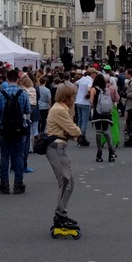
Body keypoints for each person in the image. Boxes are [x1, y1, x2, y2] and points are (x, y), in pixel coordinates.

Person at [42, 82, 84, 235]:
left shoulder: (61, 108)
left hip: (59, 146)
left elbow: (70, 126)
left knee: (69, 181)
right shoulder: (59, 110)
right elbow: (74, 129)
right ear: (66, 97)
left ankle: (61, 212)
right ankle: (60, 214)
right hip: (56, 147)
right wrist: (74, 131)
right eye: (73, 96)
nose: (74, 98)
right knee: (66, 181)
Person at [0, 68, 31, 194]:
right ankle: (18, 183)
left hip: (5, 128)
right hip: (19, 128)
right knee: (19, 155)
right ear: (18, 79)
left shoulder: (2, 94)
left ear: (7, 79)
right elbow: (27, 110)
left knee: (4, 156)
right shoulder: (23, 93)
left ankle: (4, 183)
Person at [89, 73, 116, 162]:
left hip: (97, 112)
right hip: (106, 112)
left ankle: (99, 152)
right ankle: (111, 151)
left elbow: (91, 101)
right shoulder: (107, 89)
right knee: (105, 131)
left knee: (98, 131)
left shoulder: (93, 89)